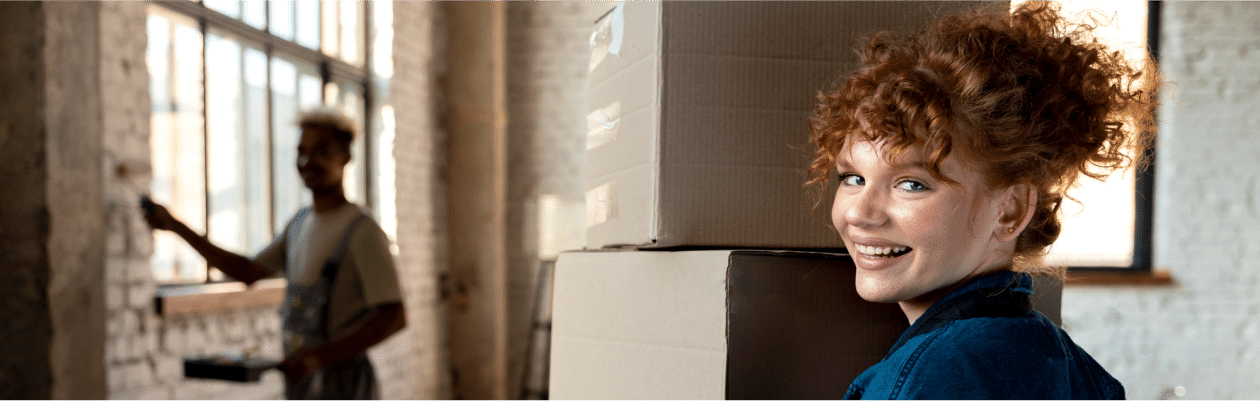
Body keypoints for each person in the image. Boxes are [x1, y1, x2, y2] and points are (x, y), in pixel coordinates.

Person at [806, 2, 1156, 399]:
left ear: (1011, 210)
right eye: (853, 178)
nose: (858, 212)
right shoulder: (1074, 368)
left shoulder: (926, 379)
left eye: (912, 184)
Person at [144, 109, 406, 399]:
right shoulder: (300, 224)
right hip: (302, 382)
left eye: (321, 151)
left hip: (345, 386)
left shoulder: (362, 231)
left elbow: (394, 316)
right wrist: (176, 227)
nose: (307, 161)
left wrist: (321, 356)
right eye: (301, 151)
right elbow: (247, 271)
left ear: (346, 157)